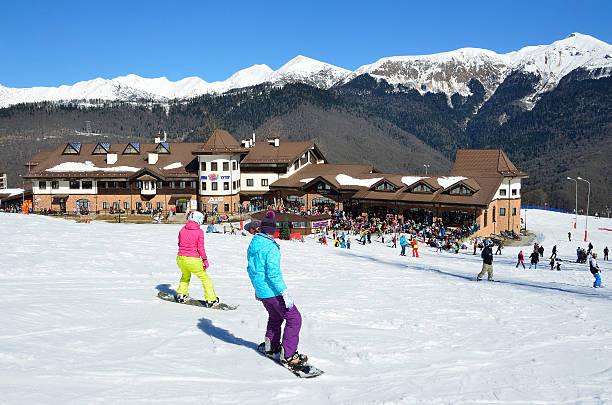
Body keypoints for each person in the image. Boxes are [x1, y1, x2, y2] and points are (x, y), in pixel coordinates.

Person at [246, 211, 308, 368]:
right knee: (294, 319)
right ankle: (289, 355)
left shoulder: (254, 244)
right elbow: (273, 275)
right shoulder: (271, 248)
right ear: (273, 230)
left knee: (275, 317)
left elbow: (251, 269)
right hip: (272, 291)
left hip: (262, 291)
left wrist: (257, 288)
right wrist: (284, 292)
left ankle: (271, 346)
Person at [175, 211, 219, 307]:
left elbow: (179, 244)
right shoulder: (199, 232)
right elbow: (200, 248)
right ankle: (211, 299)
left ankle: (181, 294)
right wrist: (205, 260)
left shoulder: (182, 229)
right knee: (205, 279)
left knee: (185, 276)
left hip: (180, 258)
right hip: (193, 260)